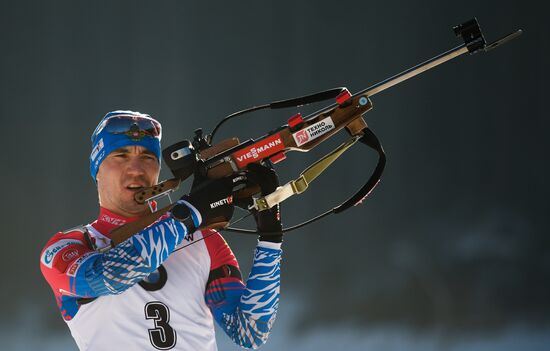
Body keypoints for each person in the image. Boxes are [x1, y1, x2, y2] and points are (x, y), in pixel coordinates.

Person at [40, 110, 283, 350]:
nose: (136, 169)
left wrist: (270, 236)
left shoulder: (203, 238)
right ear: (97, 169)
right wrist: (189, 212)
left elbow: (250, 332)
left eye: (147, 156)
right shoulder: (70, 246)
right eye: (121, 155)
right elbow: (110, 277)